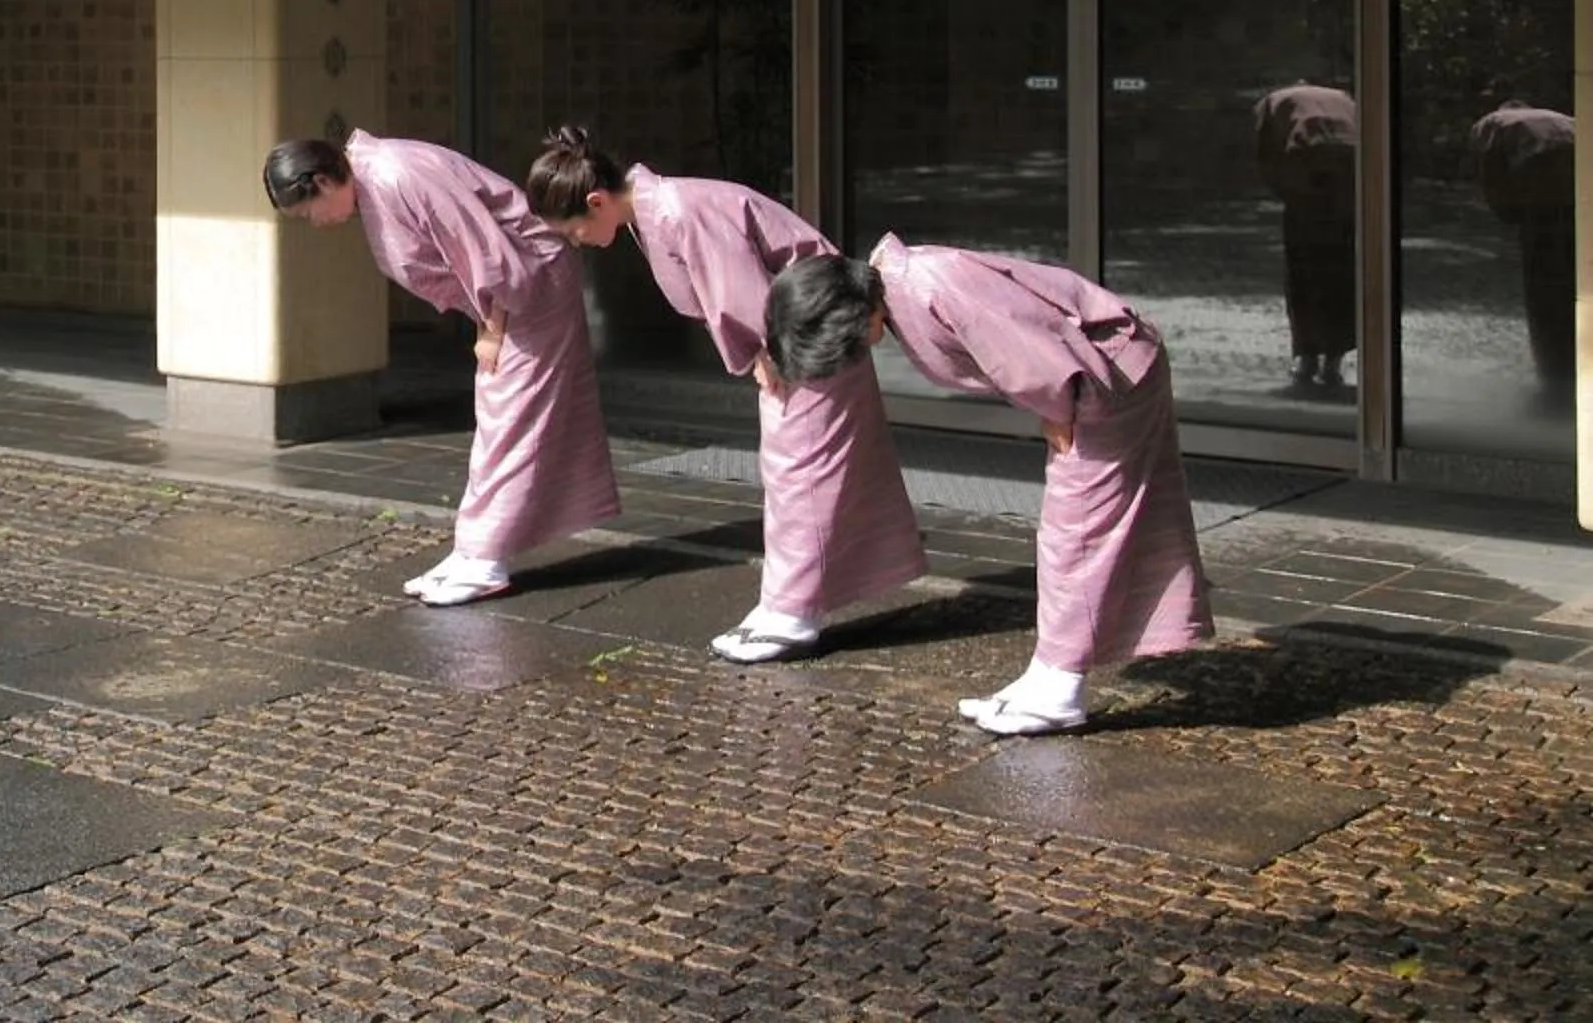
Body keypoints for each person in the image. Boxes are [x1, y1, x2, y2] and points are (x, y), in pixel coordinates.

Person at [765, 241, 1212, 735]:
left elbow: (1027, 347)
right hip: (1096, 370)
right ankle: (1049, 673)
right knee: (1084, 529)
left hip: (1102, 373)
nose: (858, 351)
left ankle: (1059, 685)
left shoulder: (929, 284)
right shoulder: (905, 283)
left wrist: (1057, 406)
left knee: (1079, 530)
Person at [523, 128, 922, 663]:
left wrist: (766, 353)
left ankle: (793, 612)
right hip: (802, 329)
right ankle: (785, 602)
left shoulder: (675, 210)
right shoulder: (661, 208)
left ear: (596, 202)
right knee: (802, 472)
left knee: (801, 472)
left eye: (573, 231)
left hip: (806, 334)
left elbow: (742, 291)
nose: (577, 243)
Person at [264, 130, 620, 605]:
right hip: (512, 296)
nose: (316, 222)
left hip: (529, 288)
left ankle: (486, 556)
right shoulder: (378, 176)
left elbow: (482, 251)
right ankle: (474, 549)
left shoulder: (396, 173)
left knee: (514, 419)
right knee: (502, 416)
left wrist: (492, 328)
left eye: (308, 211)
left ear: (325, 180)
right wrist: (487, 322)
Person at [1252, 83, 1358, 393]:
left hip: (1306, 162)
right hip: (1352, 167)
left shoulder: (1272, 101)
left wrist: (1289, 195)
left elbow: (1265, 154)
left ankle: (1308, 355)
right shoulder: (1342, 98)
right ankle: (1333, 361)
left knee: (1303, 269)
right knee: (1342, 269)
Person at [1470, 101, 1575, 393]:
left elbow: (1489, 168)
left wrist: (1506, 212)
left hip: (1543, 186)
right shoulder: (1560, 118)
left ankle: (1554, 371)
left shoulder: (1492, 122)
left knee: (1543, 282)